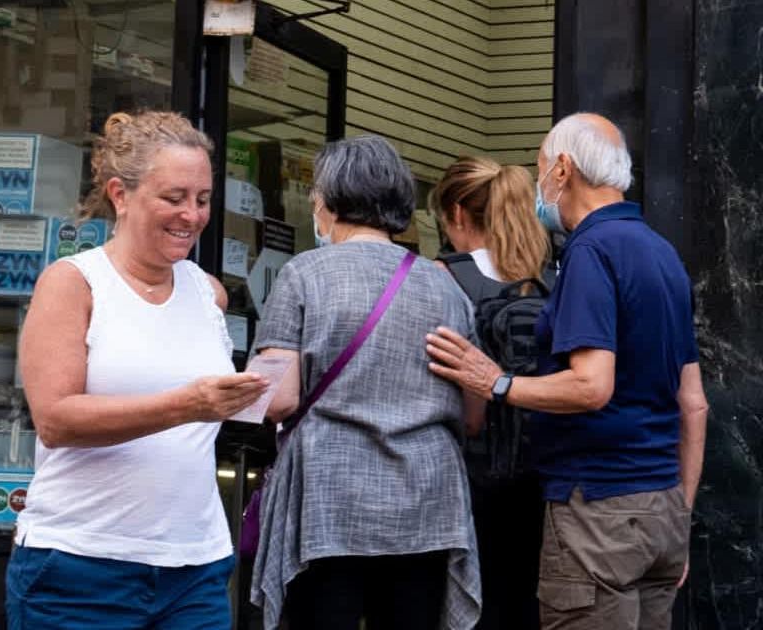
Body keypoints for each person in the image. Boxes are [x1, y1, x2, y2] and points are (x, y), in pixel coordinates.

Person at [427, 112, 709, 630]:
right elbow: (693, 402)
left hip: (598, 512)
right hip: (662, 510)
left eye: (539, 167)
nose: (538, 184)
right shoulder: (664, 254)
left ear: (562, 169)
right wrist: (679, 516)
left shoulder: (591, 251)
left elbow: (591, 384)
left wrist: (498, 383)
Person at [7, 110, 267, 629]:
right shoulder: (73, 283)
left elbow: (215, 407)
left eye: (201, 200)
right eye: (173, 198)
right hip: (80, 566)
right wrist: (187, 405)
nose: (191, 216)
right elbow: (56, 420)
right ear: (120, 196)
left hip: (195, 565)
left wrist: (266, 392)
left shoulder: (207, 292)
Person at [250, 134, 483, 630]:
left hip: (329, 500)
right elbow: (473, 413)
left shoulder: (303, 274)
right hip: (427, 500)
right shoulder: (447, 287)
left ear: (331, 201)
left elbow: (279, 398)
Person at [429, 156, 553, 630]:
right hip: (544, 482)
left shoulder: (445, 276)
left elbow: (463, 410)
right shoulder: (552, 279)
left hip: (470, 482)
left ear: (458, 214)